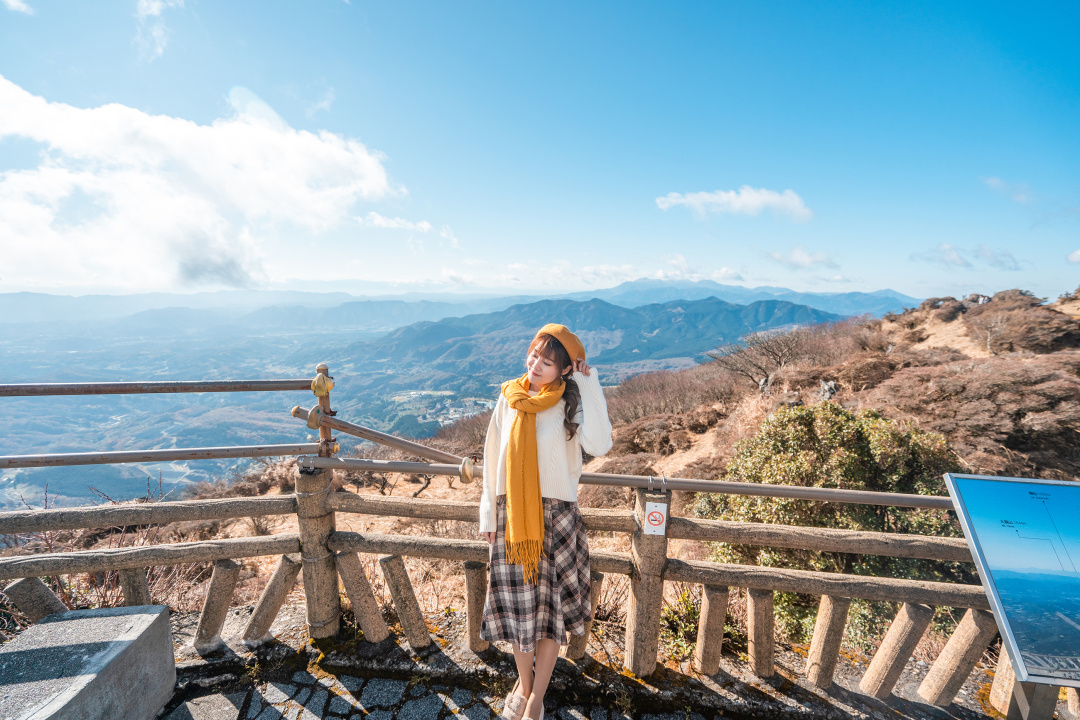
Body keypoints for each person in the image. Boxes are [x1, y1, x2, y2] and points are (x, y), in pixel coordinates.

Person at [479, 323, 613, 720]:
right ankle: (522, 686)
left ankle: (536, 700)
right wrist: (488, 511)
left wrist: (591, 385)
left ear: (564, 370)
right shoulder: (509, 398)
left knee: (548, 616)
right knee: (522, 612)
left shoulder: (570, 403)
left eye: (548, 361)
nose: (536, 364)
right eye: (534, 355)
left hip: (557, 519)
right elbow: (491, 462)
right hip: (513, 519)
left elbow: (601, 444)